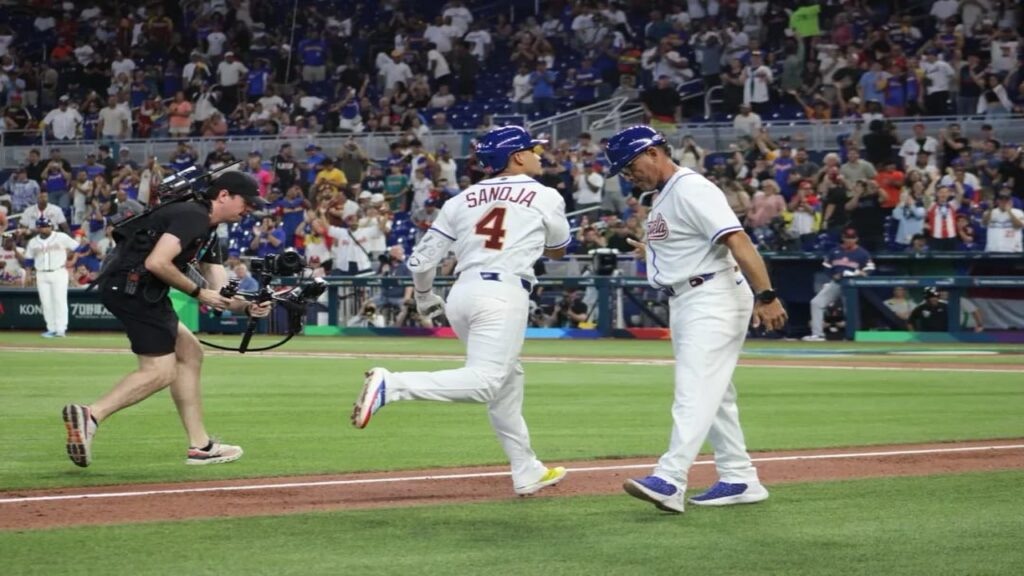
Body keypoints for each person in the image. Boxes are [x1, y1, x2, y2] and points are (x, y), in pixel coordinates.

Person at [350, 126, 571, 496]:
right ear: (516, 156)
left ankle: (526, 468)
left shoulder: (461, 199)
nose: (539, 154)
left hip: (462, 292)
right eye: (534, 149)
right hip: (503, 292)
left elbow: (421, 259)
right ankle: (394, 385)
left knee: (507, 381)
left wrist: (422, 298)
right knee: (486, 382)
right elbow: (560, 249)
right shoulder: (544, 195)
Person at [604, 125, 788, 513]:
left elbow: (737, 239)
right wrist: (654, 254)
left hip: (713, 294)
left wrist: (766, 294)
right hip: (689, 297)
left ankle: (670, 478)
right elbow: (688, 244)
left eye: (631, 164)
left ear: (654, 152)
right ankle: (740, 478)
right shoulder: (665, 195)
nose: (628, 174)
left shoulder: (691, 188)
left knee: (694, 388)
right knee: (715, 393)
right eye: (622, 169)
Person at [61, 172, 272, 468]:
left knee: (190, 353)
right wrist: (199, 292)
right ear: (223, 195)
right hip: (133, 288)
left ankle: (201, 446)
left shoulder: (208, 227)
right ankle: (91, 415)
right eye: (246, 202)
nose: (249, 208)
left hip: (136, 289)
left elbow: (219, 289)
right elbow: (156, 262)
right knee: (160, 371)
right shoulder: (193, 216)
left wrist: (246, 306)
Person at [803, 228, 875, 342]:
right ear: (843, 238)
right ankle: (818, 334)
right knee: (816, 303)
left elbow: (870, 268)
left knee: (849, 309)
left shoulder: (862, 253)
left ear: (856, 239)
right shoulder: (835, 251)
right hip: (837, 282)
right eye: (847, 238)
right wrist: (833, 275)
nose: (849, 240)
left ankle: (851, 336)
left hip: (852, 285)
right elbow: (826, 266)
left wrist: (863, 273)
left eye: (852, 238)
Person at [25, 218, 78, 337]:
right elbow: (28, 260)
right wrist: (28, 274)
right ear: (38, 228)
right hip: (41, 273)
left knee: (59, 301)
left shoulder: (61, 237)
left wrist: (74, 259)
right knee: (46, 303)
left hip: (58, 271)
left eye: (48, 226)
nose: (46, 228)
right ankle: (51, 328)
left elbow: (77, 248)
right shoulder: (33, 242)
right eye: (43, 226)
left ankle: (61, 329)